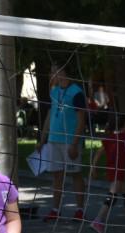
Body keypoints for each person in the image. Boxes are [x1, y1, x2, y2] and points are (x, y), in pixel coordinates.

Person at [38, 64, 88, 222]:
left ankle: (80, 210)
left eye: (55, 71)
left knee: (75, 174)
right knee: (57, 176)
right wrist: (42, 139)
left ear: (64, 72)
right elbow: (49, 116)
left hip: (70, 142)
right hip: (54, 140)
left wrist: (75, 143)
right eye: (51, 71)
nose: (52, 74)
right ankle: (55, 209)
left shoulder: (77, 93)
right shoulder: (54, 92)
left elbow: (82, 120)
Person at [89, 114, 125, 233]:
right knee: (112, 196)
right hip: (118, 171)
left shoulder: (109, 138)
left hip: (111, 170)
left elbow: (98, 153)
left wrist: (93, 168)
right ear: (124, 124)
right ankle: (98, 221)